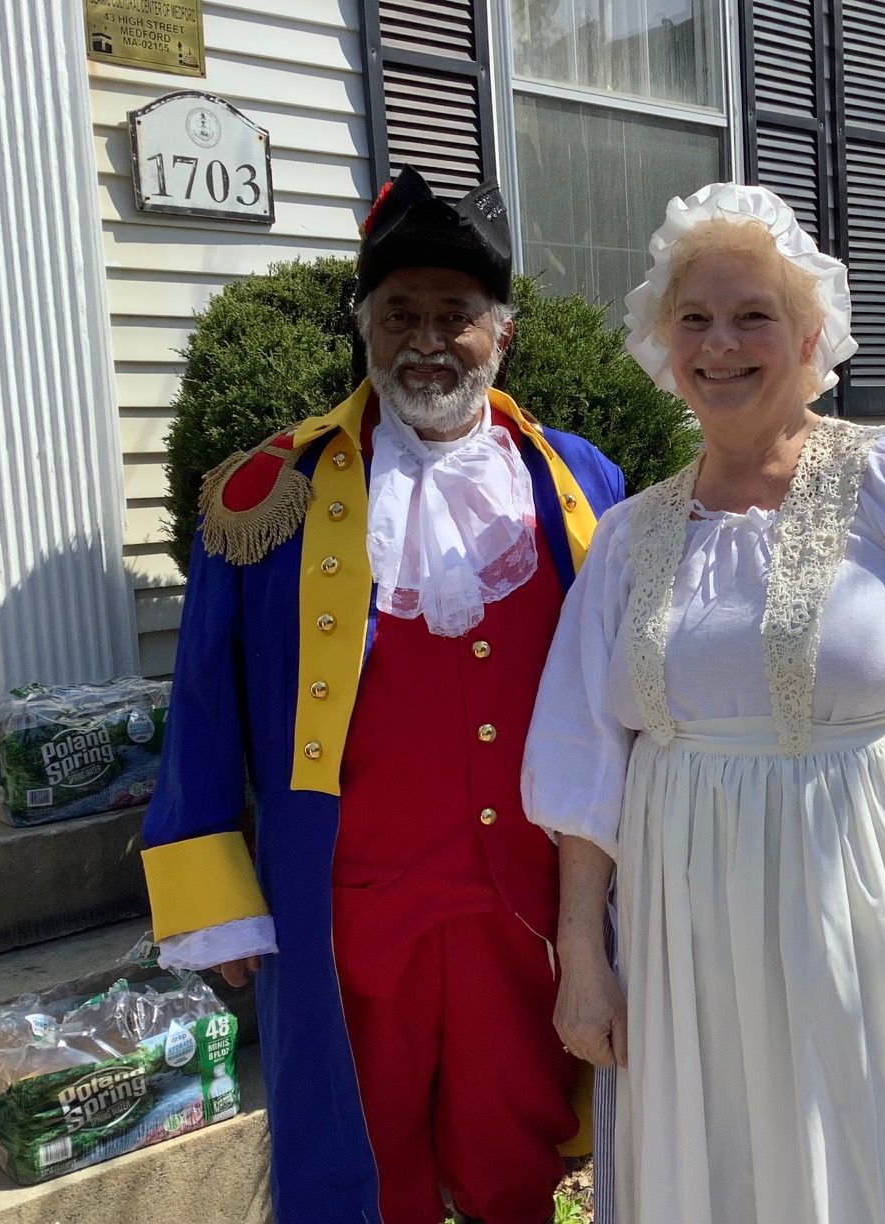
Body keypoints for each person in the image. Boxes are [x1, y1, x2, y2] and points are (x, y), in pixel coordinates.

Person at [521, 182, 885, 1224]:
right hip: (687, 935)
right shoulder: (630, 540)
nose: (722, 345)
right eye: (694, 319)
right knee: (729, 1167)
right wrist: (583, 962)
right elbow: (582, 765)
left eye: (754, 316)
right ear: (664, 344)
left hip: (883, 915)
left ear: (809, 337)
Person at [141, 166, 625, 1224]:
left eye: (456, 315)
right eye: (398, 312)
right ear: (361, 327)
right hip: (350, 913)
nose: (426, 341)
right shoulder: (264, 494)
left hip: (530, 912)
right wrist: (212, 905)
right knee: (362, 1165)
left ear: (501, 332)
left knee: (517, 1156)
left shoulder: (584, 481)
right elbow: (204, 710)